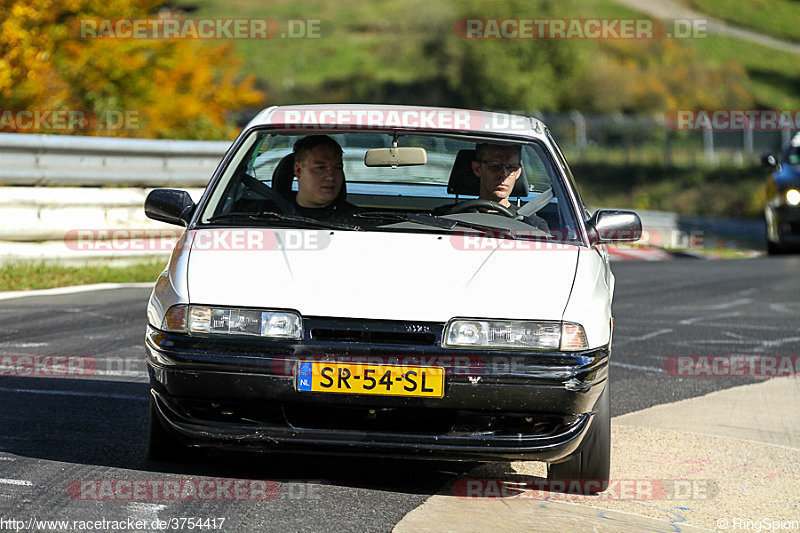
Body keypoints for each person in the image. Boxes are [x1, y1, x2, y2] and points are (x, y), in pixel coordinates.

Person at [471, 143, 548, 231]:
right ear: (477, 169)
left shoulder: (532, 224)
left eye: (511, 167)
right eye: (495, 166)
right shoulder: (454, 216)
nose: (504, 174)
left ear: (518, 173)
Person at [291, 135, 359, 222]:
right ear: (299, 170)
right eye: (321, 167)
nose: (331, 177)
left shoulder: (356, 220)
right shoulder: (272, 215)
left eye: (338, 168)